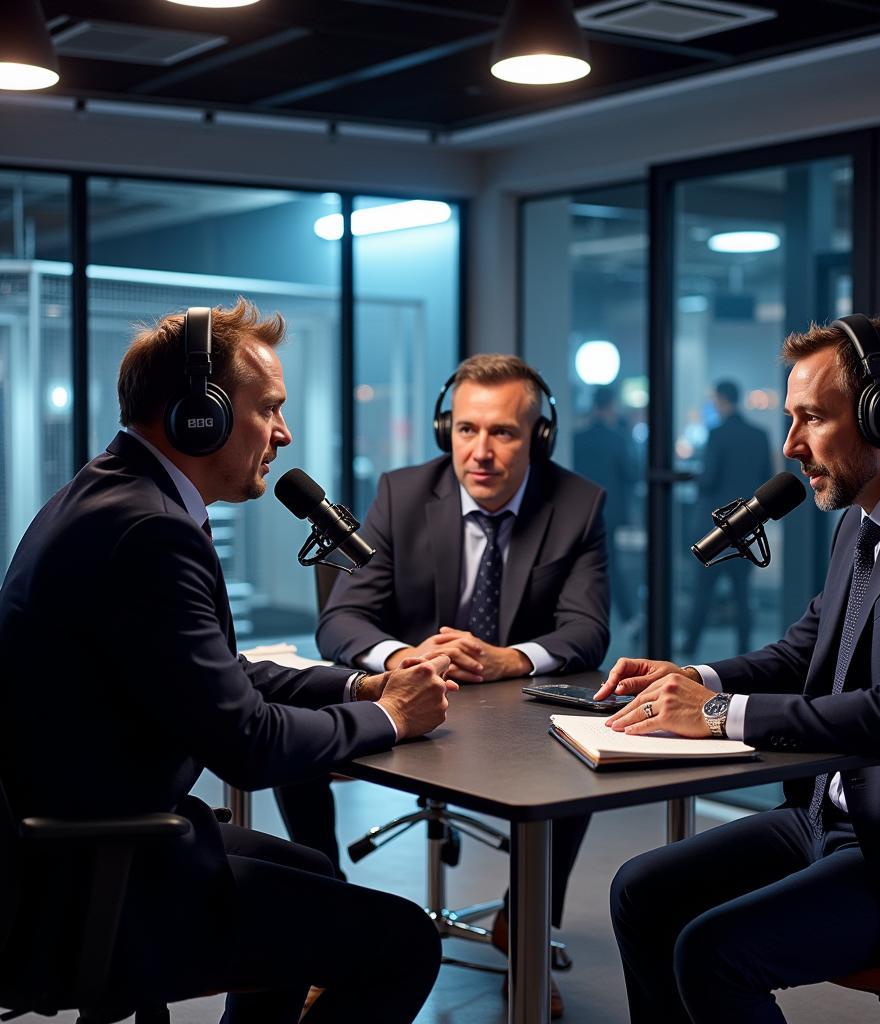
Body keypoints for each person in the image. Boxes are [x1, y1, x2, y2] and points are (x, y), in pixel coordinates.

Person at [0, 300, 456, 1024]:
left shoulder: (112, 494)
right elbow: (248, 744)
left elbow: (216, 673)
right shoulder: (148, 531)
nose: (285, 433)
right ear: (198, 416)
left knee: (310, 872)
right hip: (93, 882)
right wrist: (390, 716)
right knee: (404, 942)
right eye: (268, 408)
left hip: (77, 842)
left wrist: (358, 682)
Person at [595, 316, 880, 1023]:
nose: (791, 445)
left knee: (712, 950)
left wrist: (714, 717)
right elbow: (804, 653)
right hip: (830, 820)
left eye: (812, 419)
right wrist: (696, 678)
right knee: (642, 890)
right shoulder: (864, 519)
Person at [298, 353, 611, 1018]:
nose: (482, 451)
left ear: (539, 438)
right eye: (467, 430)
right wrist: (402, 659)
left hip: (512, 711)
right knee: (290, 728)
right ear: (446, 431)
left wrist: (509, 659)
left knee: (586, 754)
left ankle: (522, 926)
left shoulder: (578, 505)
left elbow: (586, 632)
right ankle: (327, 922)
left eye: (503, 433)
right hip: (405, 693)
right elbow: (342, 619)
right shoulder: (403, 493)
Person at [683, 379, 772, 658]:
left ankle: (689, 646)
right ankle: (745, 650)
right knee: (742, 593)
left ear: (721, 399)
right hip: (746, 523)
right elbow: (766, 478)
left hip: (717, 528)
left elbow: (708, 479)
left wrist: (691, 476)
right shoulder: (759, 435)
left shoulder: (717, 434)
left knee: (703, 591)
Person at [574, 385, 642, 639]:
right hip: (609, 511)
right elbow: (632, 473)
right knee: (609, 561)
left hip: (581, 508)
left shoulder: (578, 438)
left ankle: (592, 617)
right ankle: (625, 616)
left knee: (590, 560)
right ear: (611, 405)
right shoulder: (617, 439)